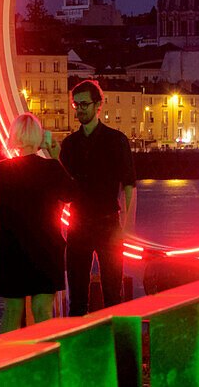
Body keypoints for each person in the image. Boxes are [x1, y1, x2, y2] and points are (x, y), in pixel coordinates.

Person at [0, 113, 78, 331]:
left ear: (14, 136)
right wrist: (56, 157)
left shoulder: (2, 170)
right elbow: (71, 194)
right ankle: (47, 357)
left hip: (12, 247)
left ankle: (7, 360)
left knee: (12, 312)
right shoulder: (51, 168)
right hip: (46, 246)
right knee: (42, 311)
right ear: (39, 136)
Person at [61, 80, 137, 316]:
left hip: (107, 224)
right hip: (79, 224)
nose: (80, 109)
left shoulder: (116, 140)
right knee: (77, 298)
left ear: (98, 105)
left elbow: (129, 185)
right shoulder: (69, 144)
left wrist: (128, 227)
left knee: (113, 294)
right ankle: (81, 348)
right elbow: (63, 188)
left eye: (84, 104)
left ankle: (114, 349)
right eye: (77, 105)